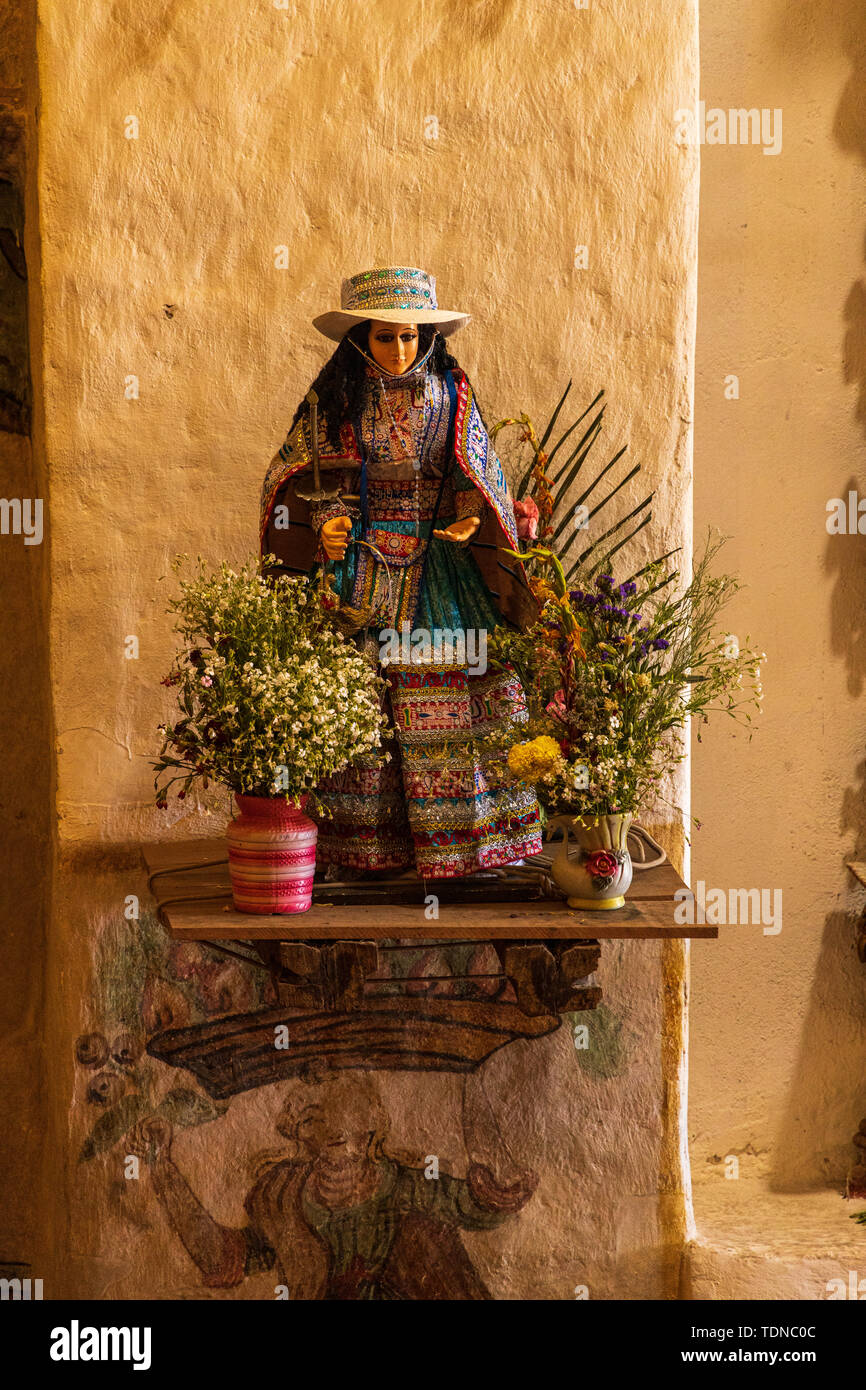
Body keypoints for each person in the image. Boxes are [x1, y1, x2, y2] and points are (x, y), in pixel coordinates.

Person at [260, 265, 542, 879]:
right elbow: (305, 474)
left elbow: (478, 468)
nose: (400, 349)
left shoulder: (451, 394)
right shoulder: (336, 402)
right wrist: (330, 522)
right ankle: (364, 850)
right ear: (361, 338)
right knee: (359, 702)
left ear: (428, 337)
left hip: (438, 564)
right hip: (362, 562)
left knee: (452, 692)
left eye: (411, 336)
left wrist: (470, 517)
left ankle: (460, 848)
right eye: (386, 337)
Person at [130, 1069, 537, 1300]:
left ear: (369, 1134)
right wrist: (162, 1168)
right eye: (312, 1128)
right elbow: (221, 1258)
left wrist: (497, 1185)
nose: (330, 1146)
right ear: (300, 1134)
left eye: (341, 1136)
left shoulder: (410, 1189)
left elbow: (476, 1206)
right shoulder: (283, 1198)